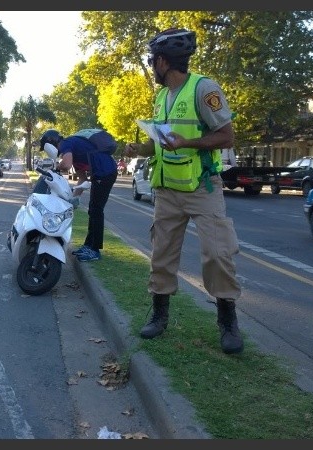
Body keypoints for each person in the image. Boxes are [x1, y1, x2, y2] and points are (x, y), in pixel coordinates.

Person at [124, 28, 244, 354]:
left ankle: (227, 321)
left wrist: (187, 142)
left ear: (164, 62)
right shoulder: (161, 96)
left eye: (152, 60)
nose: (151, 66)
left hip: (202, 186)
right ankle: (159, 315)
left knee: (218, 253)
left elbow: (227, 137)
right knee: (161, 254)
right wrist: (140, 149)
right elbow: (160, 143)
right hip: (167, 189)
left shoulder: (204, 89)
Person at [40, 129, 118, 262]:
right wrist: (73, 199)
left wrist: (56, 168)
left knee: (96, 210)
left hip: (105, 172)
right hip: (101, 173)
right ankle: (88, 246)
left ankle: (94, 250)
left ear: (50, 143)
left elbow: (66, 164)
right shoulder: (73, 150)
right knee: (93, 210)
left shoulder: (66, 143)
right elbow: (82, 179)